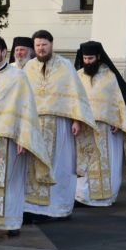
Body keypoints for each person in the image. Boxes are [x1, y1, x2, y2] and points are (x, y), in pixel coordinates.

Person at [0, 35, 50, 237]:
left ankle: (12, 223)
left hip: (10, 139)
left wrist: (24, 138)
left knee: (10, 184)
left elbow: (26, 109)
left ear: (4, 52)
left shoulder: (18, 77)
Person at [22, 30, 94, 220]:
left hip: (59, 124)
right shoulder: (28, 67)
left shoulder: (65, 66)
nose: (41, 48)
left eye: (44, 44)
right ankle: (34, 208)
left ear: (51, 44)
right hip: (35, 124)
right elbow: (22, 96)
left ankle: (57, 208)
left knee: (59, 167)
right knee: (33, 167)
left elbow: (76, 94)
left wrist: (77, 119)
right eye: (37, 45)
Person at [75, 41, 126, 207]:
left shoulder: (111, 76)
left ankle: (106, 196)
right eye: (85, 58)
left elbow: (121, 101)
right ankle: (82, 196)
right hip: (84, 127)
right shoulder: (77, 76)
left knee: (107, 162)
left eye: (91, 58)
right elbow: (73, 101)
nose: (87, 61)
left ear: (99, 57)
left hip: (107, 128)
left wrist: (119, 121)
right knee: (84, 162)